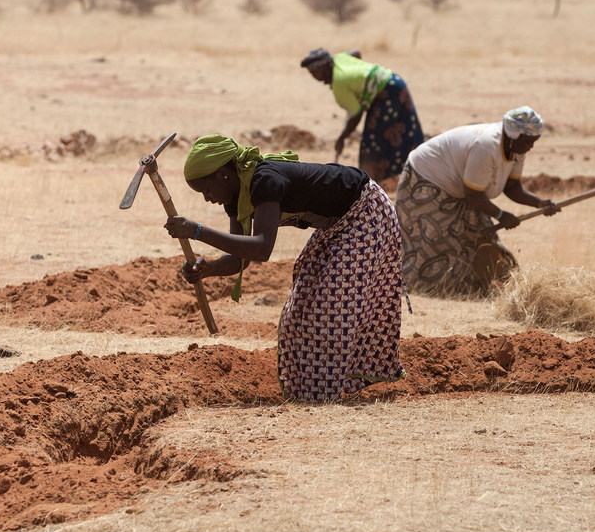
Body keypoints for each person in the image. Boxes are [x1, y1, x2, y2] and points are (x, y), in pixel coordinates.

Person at [164, 134, 404, 402]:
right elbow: (239, 258)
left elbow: (261, 248)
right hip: (337, 226)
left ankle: (332, 390)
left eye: (206, 191)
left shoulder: (264, 180)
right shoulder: (236, 196)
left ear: (223, 174)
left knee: (332, 306)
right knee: (298, 314)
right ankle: (310, 393)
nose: (207, 199)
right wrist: (208, 268)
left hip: (365, 211)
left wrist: (198, 231)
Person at [396, 106, 560, 297]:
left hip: (459, 188)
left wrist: (539, 203)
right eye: (529, 141)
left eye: (534, 141)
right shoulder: (486, 146)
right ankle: (420, 287)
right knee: (438, 239)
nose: (531, 147)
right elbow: (473, 195)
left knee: (479, 231)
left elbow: (512, 187)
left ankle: (480, 284)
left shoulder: (516, 149)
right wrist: (501, 215)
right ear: (515, 135)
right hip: (426, 177)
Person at [300, 48, 424, 183]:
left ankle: (373, 183)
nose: (313, 75)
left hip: (387, 94)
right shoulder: (339, 58)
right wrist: (362, 76)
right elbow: (356, 53)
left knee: (374, 142)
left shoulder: (339, 84)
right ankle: (415, 171)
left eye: (315, 71)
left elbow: (356, 114)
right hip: (395, 81)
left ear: (325, 66)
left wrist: (342, 137)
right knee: (404, 132)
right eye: (311, 72)